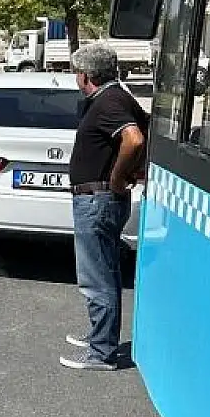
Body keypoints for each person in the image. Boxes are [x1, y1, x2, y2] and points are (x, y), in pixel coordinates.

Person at [61, 43, 148, 371]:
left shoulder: (109, 100)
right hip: (100, 201)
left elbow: (135, 138)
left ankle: (101, 353)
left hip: (97, 200)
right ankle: (101, 337)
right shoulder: (118, 96)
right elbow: (145, 129)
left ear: (85, 76)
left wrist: (118, 177)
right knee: (104, 272)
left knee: (96, 277)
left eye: (76, 75)